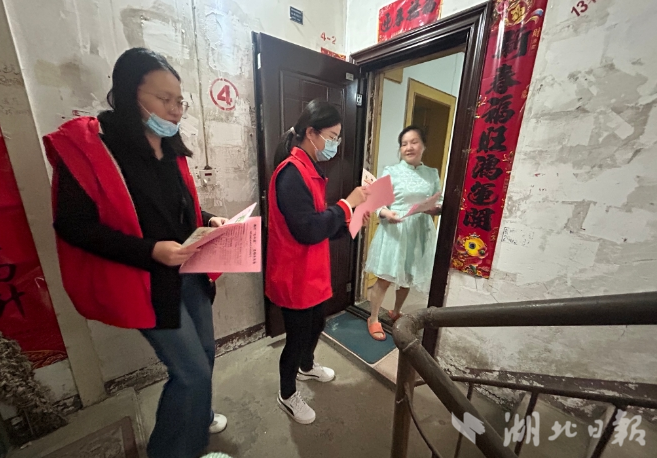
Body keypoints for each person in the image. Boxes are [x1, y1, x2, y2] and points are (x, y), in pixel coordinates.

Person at [43, 48, 227, 458]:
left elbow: (174, 210)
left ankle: (195, 426)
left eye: (179, 100)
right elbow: (74, 226)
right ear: (130, 94)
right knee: (191, 373)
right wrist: (150, 251)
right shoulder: (94, 149)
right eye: (164, 99)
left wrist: (207, 218)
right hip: (148, 281)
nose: (175, 109)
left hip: (190, 273)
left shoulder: (170, 149)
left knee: (206, 355)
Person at [266, 100, 369, 424]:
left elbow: (319, 224)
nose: (335, 144)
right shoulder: (290, 174)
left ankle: (307, 367)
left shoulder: (309, 170)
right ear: (311, 133)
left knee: (316, 325)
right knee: (296, 338)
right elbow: (308, 229)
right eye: (332, 136)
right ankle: (286, 394)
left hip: (311, 271)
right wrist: (347, 204)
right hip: (294, 274)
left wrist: (350, 221)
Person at [364, 126, 442, 341]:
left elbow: (440, 201)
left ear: (423, 145)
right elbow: (377, 203)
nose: (409, 147)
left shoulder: (431, 174)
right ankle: (373, 318)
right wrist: (386, 213)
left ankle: (396, 311)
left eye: (414, 142)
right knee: (384, 278)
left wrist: (434, 209)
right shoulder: (391, 171)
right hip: (395, 231)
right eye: (404, 143)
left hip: (419, 231)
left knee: (407, 276)